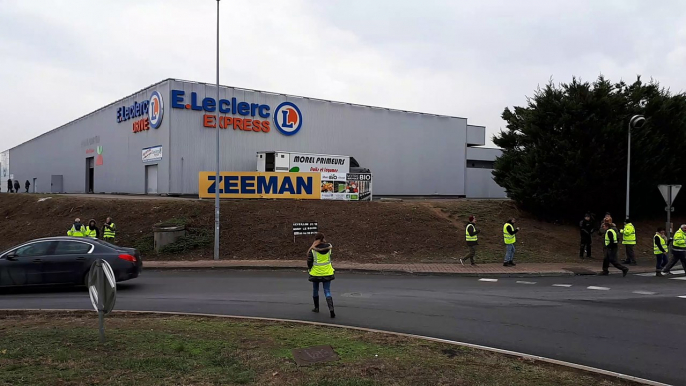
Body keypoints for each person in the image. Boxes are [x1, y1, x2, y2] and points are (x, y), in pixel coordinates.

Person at [307, 233, 336, 318]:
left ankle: (316, 308)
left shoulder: (312, 250)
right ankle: (331, 310)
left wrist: (309, 269)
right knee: (327, 291)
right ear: (323, 239)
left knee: (315, 290)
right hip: (327, 272)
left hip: (316, 273)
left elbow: (309, 262)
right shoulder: (329, 249)